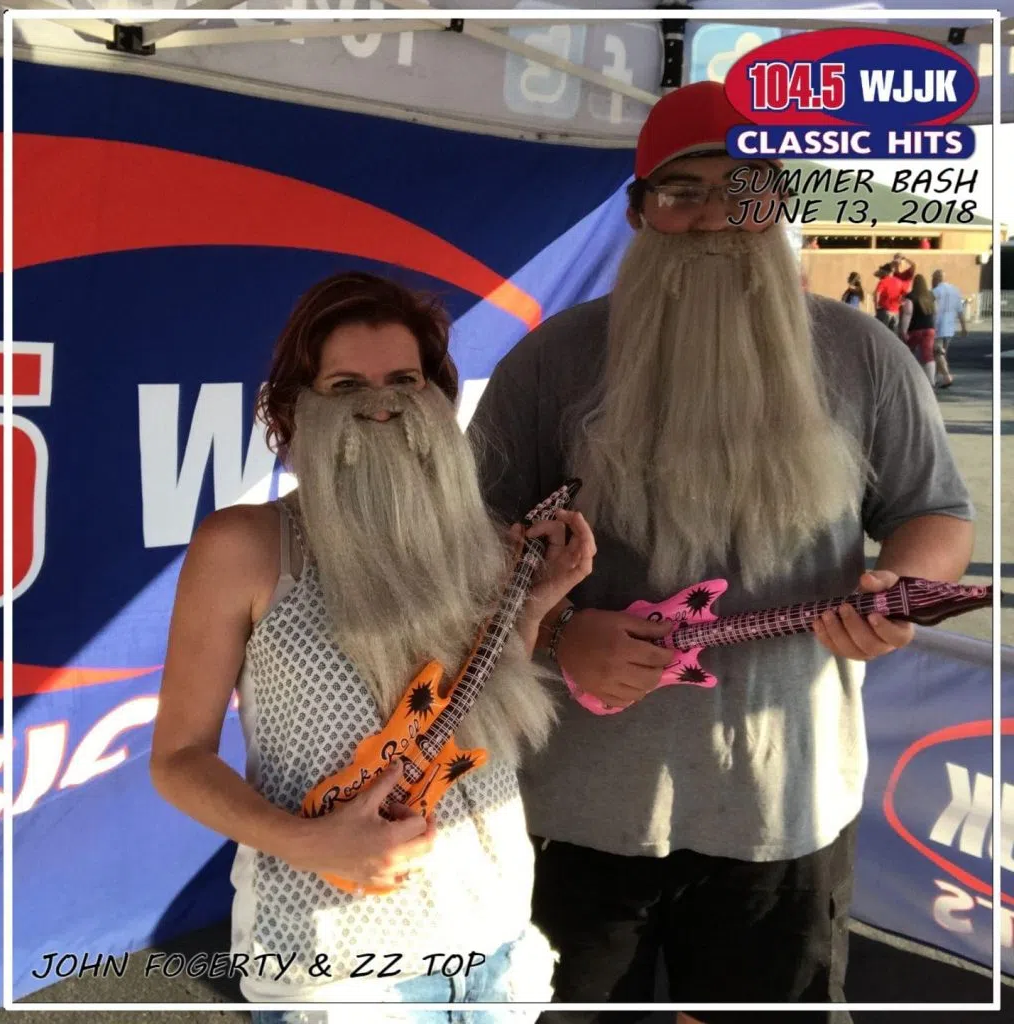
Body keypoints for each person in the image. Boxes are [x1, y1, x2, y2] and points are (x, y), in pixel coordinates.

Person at [469, 79, 975, 1024]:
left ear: (777, 203)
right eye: (682, 191)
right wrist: (560, 632)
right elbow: (467, 546)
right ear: (638, 212)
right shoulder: (550, 362)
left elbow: (936, 512)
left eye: (744, 190)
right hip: (576, 805)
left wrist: (901, 588)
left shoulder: (862, 355)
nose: (714, 218)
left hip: (783, 803)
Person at [150, 271, 597, 1022]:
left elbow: (473, 717)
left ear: (437, 397)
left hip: (494, 948)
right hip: (341, 972)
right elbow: (177, 759)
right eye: (345, 384)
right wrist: (309, 843)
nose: (380, 403)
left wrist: (535, 604)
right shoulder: (247, 546)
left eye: (404, 380)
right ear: (295, 408)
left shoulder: (480, 540)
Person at [931, 269, 968, 388]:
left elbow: (930, 309)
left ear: (936, 278)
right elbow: (960, 311)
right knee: (942, 353)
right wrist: (964, 327)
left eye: (933, 278)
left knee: (937, 353)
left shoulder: (935, 292)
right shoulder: (955, 291)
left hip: (937, 326)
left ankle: (946, 377)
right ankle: (935, 378)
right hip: (950, 327)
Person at [899, 274, 937, 386]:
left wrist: (903, 330)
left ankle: (910, 378)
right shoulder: (931, 296)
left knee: (908, 353)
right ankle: (931, 381)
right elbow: (935, 312)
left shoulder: (911, 297)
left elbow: (908, 313)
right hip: (929, 328)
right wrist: (934, 326)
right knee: (928, 355)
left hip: (915, 330)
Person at [873, 253, 916, 333]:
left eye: (898, 261)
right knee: (894, 330)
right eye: (895, 262)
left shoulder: (907, 273)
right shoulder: (894, 275)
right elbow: (879, 272)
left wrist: (904, 258)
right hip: (894, 305)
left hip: (903, 303)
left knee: (902, 329)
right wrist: (893, 263)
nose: (897, 264)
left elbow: (913, 265)